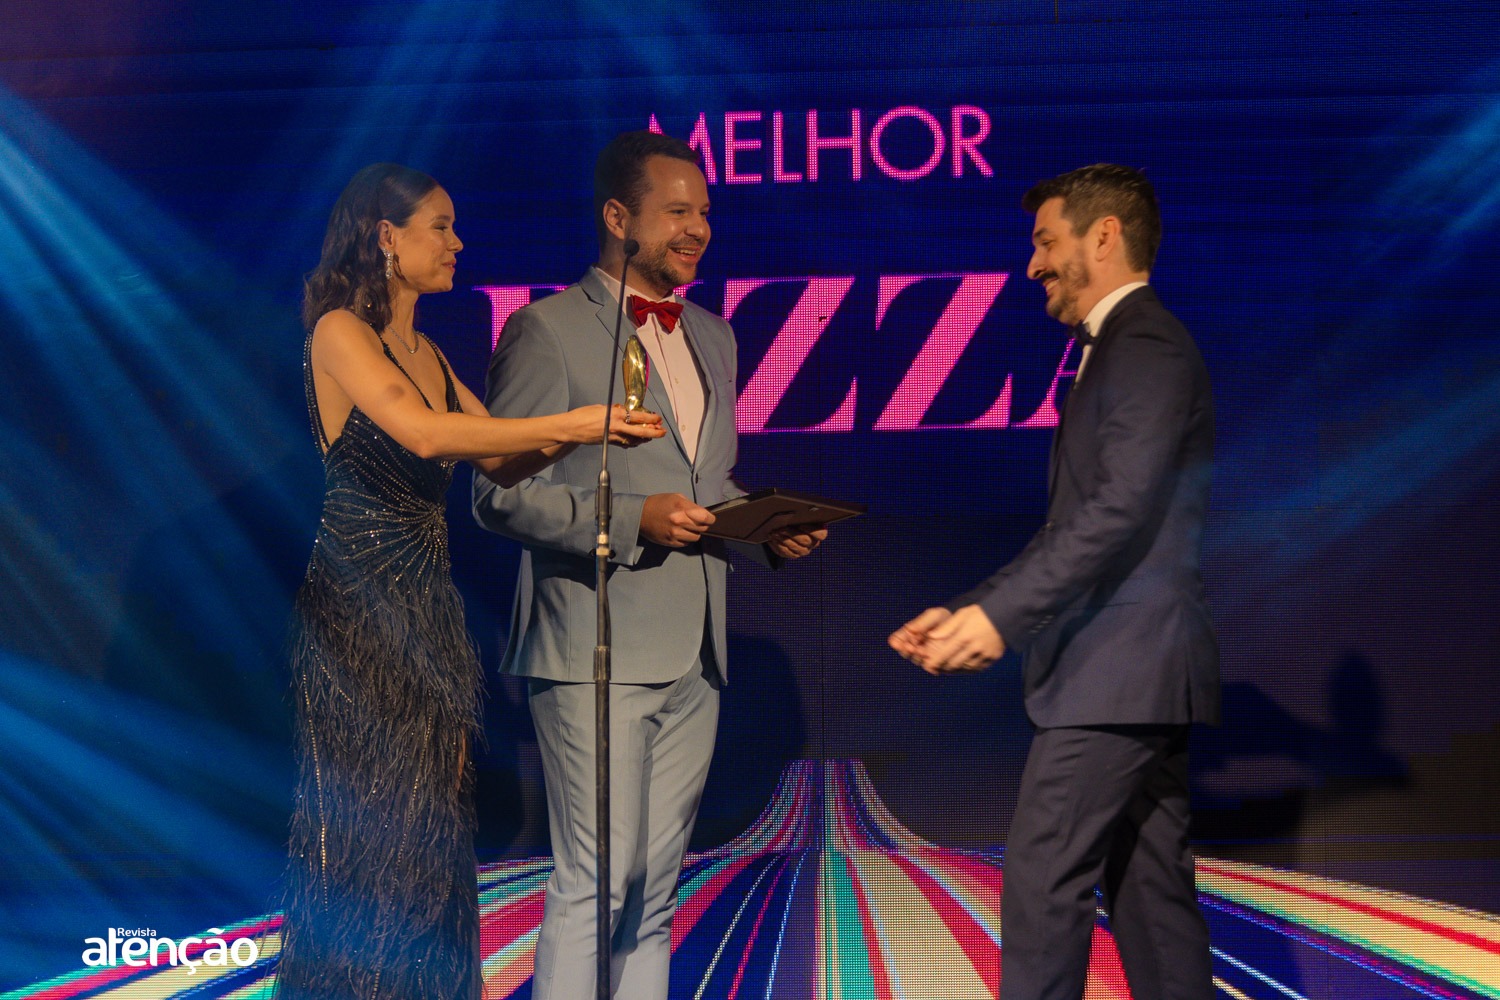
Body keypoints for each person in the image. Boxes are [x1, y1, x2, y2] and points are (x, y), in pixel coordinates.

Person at [277, 162, 662, 1000]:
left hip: (429, 613)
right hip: (356, 615)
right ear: (387, 238)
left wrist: (595, 424)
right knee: (370, 838)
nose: (458, 243)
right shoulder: (340, 332)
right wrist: (578, 421)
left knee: (433, 837)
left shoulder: (431, 354)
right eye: (441, 227)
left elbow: (503, 460)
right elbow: (422, 434)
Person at [472, 130, 824, 999]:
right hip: (591, 643)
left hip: (696, 650)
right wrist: (636, 519)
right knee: (595, 882)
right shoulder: (546, 329)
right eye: (676, 212)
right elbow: (498, 496)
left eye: (704, 212)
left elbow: (702, 482)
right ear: (617, 217)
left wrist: (759, 525)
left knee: (655, 893)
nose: (698, 228)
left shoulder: (715, 335)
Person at [889, 164, 1220, 1000]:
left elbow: (1117, 511)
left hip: (1117, 670)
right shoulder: (1121, 347)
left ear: (1103, 236)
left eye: (1045, 241)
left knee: (1043, 886)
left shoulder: (1143, 343)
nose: (1033, 263)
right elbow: (1079, 522)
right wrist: (971, 609)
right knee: (1150, 895)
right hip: (1134, 672)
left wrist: (999, 619)